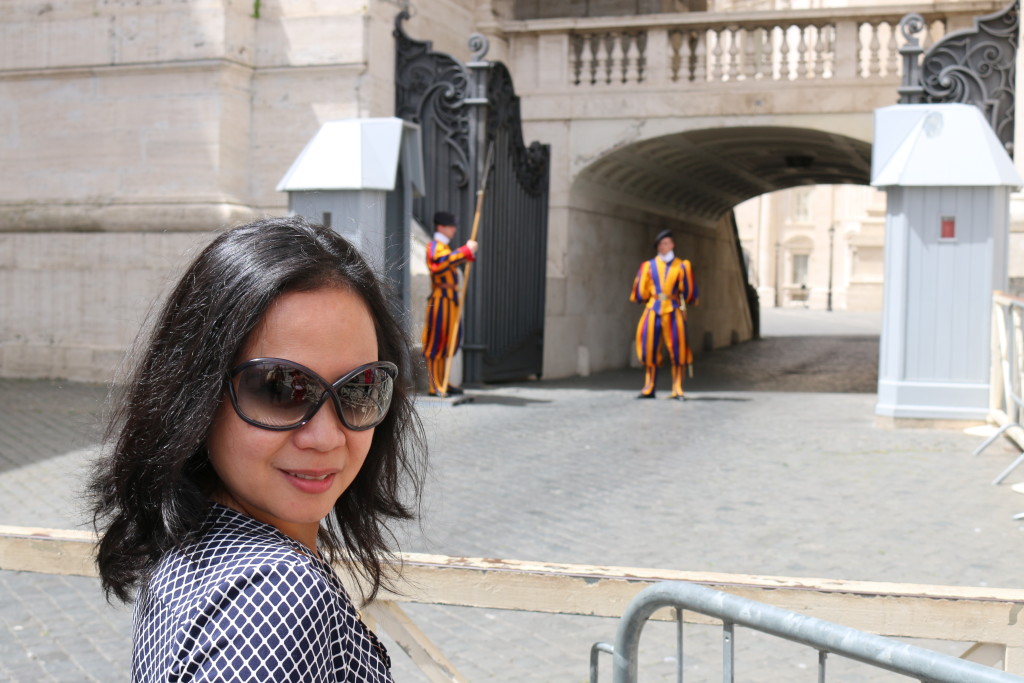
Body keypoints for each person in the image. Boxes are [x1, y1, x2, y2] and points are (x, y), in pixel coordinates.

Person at [89, 217, 426, 682]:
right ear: (197, 395)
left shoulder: (193, 545)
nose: (326, 437)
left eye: (360, 387)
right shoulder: (276, 593)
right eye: (279, 389)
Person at [630, 229, 699, 400]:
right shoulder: (648, 266)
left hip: (674, 309)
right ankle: (649, 386)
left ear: (672, 245)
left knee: (678, 349)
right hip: (653, 308)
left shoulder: (682, 266)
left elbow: (688, 291)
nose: (664, 247)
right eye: (661, 244)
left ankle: (677, 387)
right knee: (648, 347)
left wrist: (686, 300)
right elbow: (641, 291)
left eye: (667, 243)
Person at [422, 210, 478, 397]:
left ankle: (444, 380)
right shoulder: (433, 247)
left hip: (450, 300)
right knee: (436, 341)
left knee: (448, 341)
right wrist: (465, 251)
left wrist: (465, 254)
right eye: (451, 226)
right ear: (441, 227)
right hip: (440, 300)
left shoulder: (445, 248)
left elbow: (450, 259)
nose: (454, 229)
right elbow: (439, 265)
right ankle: (435, 384)